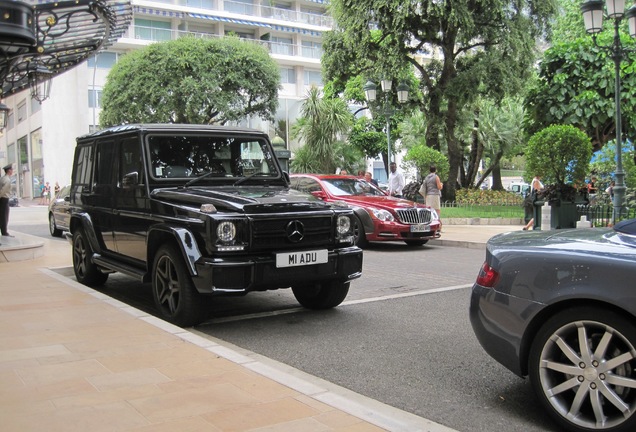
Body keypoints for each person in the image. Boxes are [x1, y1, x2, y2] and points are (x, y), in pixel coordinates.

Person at [0, 164, 14, 238]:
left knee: (2, 215)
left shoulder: (3, 178)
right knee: (4, 216)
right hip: (4, 198)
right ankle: (4, 231)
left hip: (2, 199)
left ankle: (3, 230)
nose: (12, 171)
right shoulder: (7, 180)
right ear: (9, 171)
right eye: (12, 169)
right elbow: (3, 190)